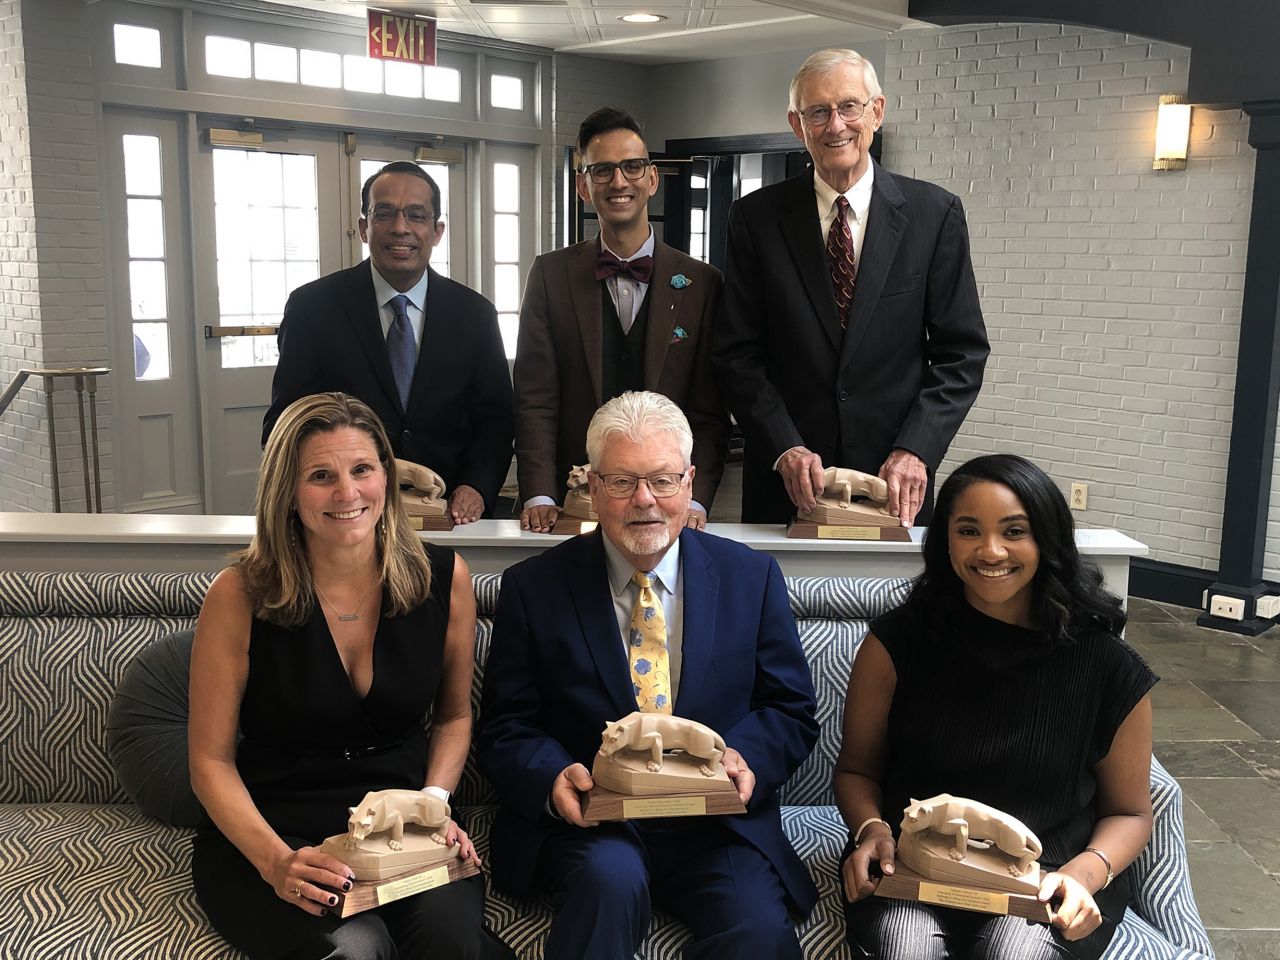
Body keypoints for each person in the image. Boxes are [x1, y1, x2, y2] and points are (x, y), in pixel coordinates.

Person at [478, 390, 820, 960]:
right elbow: (507, 725)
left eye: (663, 480)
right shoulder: (533, 588)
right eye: (621, 482)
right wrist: (551, 776)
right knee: (608, 889)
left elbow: (790, 709)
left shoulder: (751, 578)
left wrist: (746, 757)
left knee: (758, 936)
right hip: (595, 823)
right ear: (591, 486)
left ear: (690, 482)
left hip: (718, 826)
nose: (645, 501)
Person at [190, 392, 513, 960]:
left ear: (386, 476)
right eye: (321, 475)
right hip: (280, 828)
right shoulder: (239, 594)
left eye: (362, 469)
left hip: (406, 821)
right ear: (287, 492)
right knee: (356, 951)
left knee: (452, 944)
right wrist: (274, 861)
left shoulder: (445, 578)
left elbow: (456, 716)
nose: (347, 493)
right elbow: (209, 762)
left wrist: (433, 805)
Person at [835, 454, 1156, 960]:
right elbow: (856, 770)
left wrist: (1083, 875)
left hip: (1048, 871)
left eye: (1014, 531)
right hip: (914, 863)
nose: (990, 551)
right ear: (945, 540)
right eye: (968, 531)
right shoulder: (896, 644)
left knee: (1016, 953)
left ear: (1046, 539)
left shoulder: (1107, 663)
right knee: (904, 947)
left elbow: (1131, 811)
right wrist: (871, 831)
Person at [714, 48, 990, 526]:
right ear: (797, 125)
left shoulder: (934, 214)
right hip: (787, 481)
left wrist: (915, 448)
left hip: (895, 479)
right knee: (780, 602)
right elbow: (736, 354)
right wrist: (784, 446)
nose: (835, 125)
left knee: (896, 603)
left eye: (848, 107)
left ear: (876, 112)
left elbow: (960, 355)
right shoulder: (753, 219)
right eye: (817, 112)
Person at [515, 107, 728, 534]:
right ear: (582, 186)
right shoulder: (550, 275)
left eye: (631, 167)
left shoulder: (703, 283)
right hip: (570, 502)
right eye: (602, 170)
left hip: (668, 504)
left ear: (652, 179)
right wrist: (540, 492)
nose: (618, 182)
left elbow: (709, 411)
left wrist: (698, 497)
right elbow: (536, 397)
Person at [263, 161, 514, 523]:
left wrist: (476, 486)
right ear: (364, 228)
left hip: (449, 513)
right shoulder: (312, 308)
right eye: (385, 214)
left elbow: (496, 421)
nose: (401, 228)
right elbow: (286, 421)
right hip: (344, 509)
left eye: (416, 215)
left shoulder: (475, 314)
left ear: (437, 230)